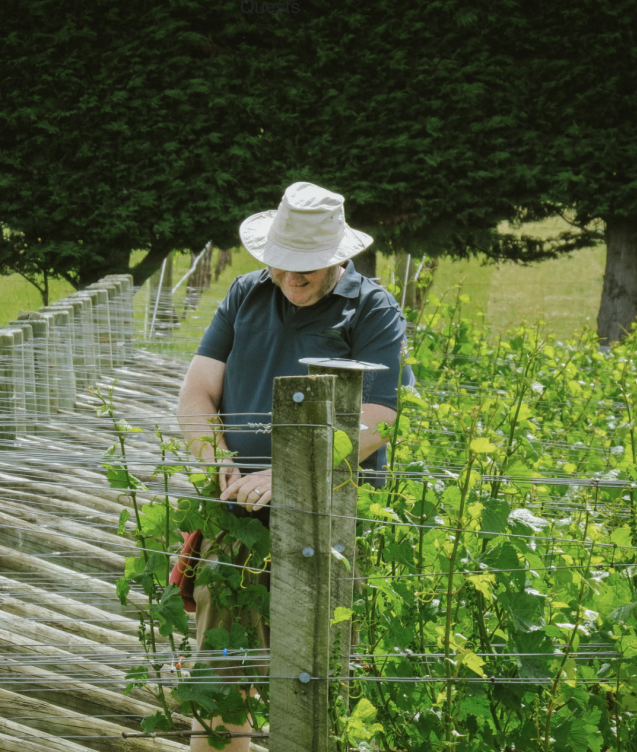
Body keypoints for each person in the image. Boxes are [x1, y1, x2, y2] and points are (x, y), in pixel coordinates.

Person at [176, 181, 413, 751]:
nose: (291, 279)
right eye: (282, 265)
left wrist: (289, 473)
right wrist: (220, 461)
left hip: (329, 522)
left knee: (315, 684)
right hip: (239, 521)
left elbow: (381, 417)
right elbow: (197, 395)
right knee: (220, 683)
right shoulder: (244, 295)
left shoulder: (373, 309)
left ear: (338, 256)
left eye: (306, 268)